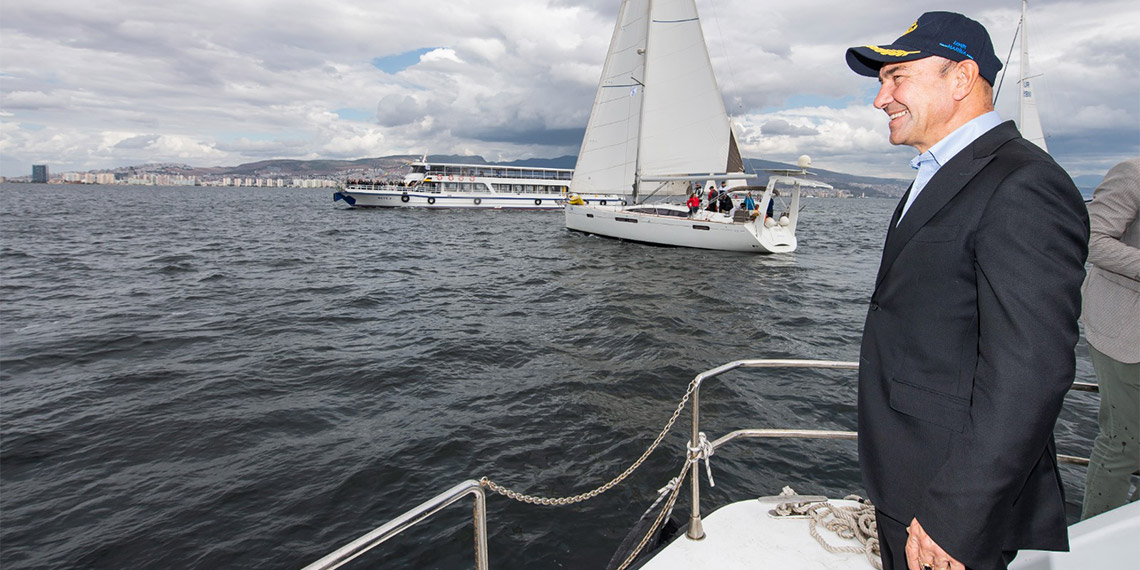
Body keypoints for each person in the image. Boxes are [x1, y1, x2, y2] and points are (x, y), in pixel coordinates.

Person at [845, 12, 1089, 570]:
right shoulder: (940, 173)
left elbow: (1031, 369)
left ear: (961, 78)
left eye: (896, 78)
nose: (879, 99)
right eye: (881, 81)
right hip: (909, 477)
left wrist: (957, 514)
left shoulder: (1024, 184)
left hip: (949, 502)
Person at [1080, 157, 1140, 520]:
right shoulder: (1133, 172)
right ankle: (1094, 538)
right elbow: (1090, 238)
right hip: (1124, 329)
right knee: (1124, 442)